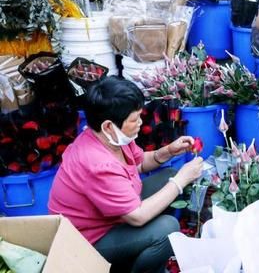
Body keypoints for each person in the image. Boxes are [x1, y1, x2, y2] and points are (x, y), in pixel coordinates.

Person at [48, 76, 204, 273]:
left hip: (110, 218)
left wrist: (167, 152)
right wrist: (181, 180)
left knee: (168, 176)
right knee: (167, 228)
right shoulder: (96, 162)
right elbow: (137, 216)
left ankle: (139, 254)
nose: (140, 122)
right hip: (88, 242)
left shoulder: (112, 138)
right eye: (134, 119)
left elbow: (138, 163)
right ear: (107, 125)